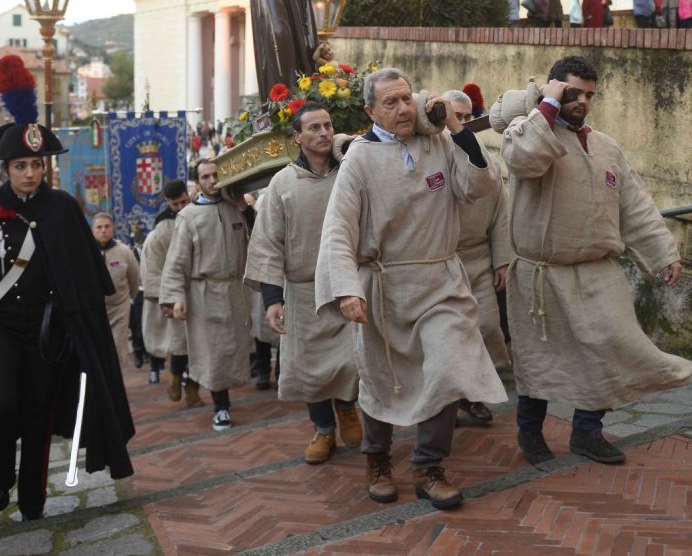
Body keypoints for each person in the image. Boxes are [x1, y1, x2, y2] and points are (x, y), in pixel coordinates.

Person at [0, 54, 134, 521]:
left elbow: (88, 280)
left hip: (47, 331)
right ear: (6, 168)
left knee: (37, 413)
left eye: (36, 164)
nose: (30, 173)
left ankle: (33, 494)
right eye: (21, 165)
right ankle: (1, 477)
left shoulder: (63, 209)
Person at [491, 55, 692, 467]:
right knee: (538, 360)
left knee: (607, 347)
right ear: (554, 88)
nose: (583, 101)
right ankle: (530, 433)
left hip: (597, 270)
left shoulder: (606, 146)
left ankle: (587, 432)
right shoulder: (526, 132)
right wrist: (547, 106)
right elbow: (524, 161)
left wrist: (662, 253)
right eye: (573, 92)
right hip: (540, 276)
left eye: (589, 95)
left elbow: (634, 204)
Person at [315, 68, 506, 511]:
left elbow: (480, 184)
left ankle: (427, 465)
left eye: (407, 98)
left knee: (448, 366)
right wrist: (347, 290)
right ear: (370, 110)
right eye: (390, 102)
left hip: (441, 282)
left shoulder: (439, 143)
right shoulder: (359, 159)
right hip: (384, 287)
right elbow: (338, 229)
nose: (402, 109)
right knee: (386, 378)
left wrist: (455, 126)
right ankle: (377, 459)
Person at [245, 103, 362, 464]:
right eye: (313, 128)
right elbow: (266, 243)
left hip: (346, 285)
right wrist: (272, 299)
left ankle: (347, 409)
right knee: (310, 370)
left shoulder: (351, 172)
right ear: (297, 137)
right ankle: (323, 429)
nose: (324, 133)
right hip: (302, 291)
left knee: (352, 361)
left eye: (328, 125)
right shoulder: (282, 184)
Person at [160, 159, 254, 431]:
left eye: (216, 175)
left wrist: (245, 209)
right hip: (203, 293)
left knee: (233, 348)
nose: (212, 181)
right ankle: (221, 407)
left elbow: (255, 236)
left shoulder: (235, 208)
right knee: (211, 352)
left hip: (235, 290)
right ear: (197, 182)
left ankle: (206, 386)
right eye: (205, 177)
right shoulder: (188, 216)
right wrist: (176, 296)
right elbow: (176, 260)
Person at [445, 90, 513, 427]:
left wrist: (502, 260)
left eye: (469, 115)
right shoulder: (431, 158)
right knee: (449, 336)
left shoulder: (488, 160)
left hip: (478, 259)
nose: (463, 122)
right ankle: (452, 400)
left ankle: (473, 395)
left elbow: (502, 214)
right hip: (441, 262)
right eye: (455, 115)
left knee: (486, 328)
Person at [140, 180, 198, 402]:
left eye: (184, 201)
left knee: (202, 346)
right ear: (168, 203)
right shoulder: (161, 231)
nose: (181, 207)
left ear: (188, 195)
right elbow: (153, 267)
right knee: (180, 344)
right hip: (175, 294)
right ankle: (175, 378)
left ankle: (193, 388)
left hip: (201, 289)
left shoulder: (198, 214)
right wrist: (164, 300)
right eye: (175, 204)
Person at [94, 213, 142, 369]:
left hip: (119, 308)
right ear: (93, 230)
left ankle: (117, 386)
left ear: (113, 229)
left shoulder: (124, 251)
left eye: (107, 227)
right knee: (98, 349)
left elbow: (135, 279)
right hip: (95, 309)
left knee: (117, 348)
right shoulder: (85, 252)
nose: (103, 231)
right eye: (99, 227)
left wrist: (127, 300)